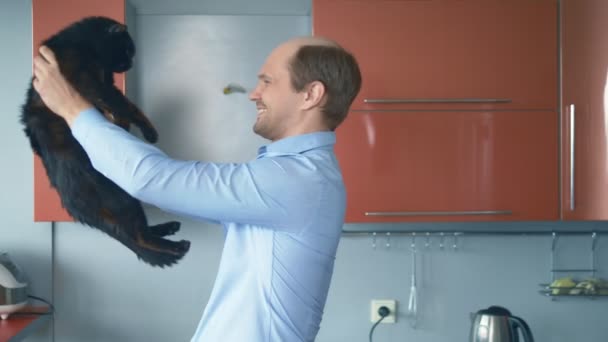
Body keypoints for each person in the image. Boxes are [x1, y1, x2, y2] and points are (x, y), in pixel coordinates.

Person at [32, 36, 362, 341]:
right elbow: (169, 188)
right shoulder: (299, 176)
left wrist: (72, 108)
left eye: (267, 81)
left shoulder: (297, 179)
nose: (253, 93)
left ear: (311, 95)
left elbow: (151, 178)